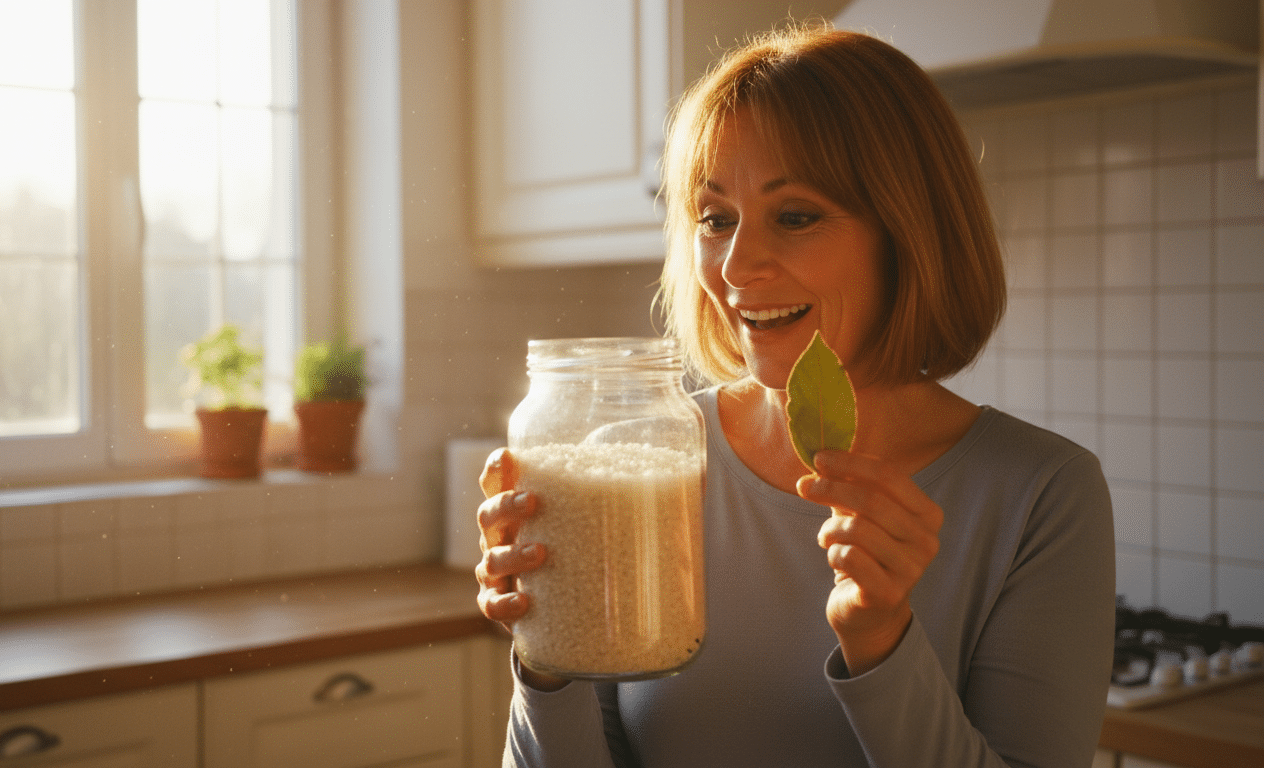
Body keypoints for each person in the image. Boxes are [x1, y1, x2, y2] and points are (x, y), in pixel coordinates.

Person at [475, 23, 1115, 768]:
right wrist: (547, 651)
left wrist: (882, 645)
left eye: (796, 216)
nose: (738, 266)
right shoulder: (638, 460)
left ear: (909, 233)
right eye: (715, 220)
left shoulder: (1042, 495)